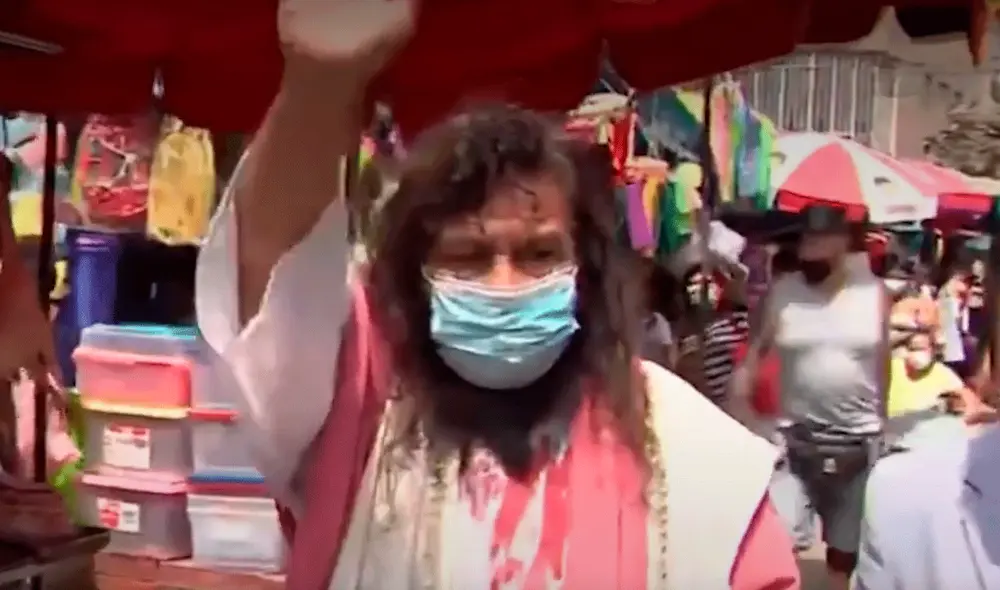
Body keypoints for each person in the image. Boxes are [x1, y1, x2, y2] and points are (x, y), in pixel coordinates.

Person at [194, 4, 800, 589]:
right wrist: (320, 82)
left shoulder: (694, 456)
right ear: (414, 281)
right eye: (467, 257)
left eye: (539, 255)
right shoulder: (358, 410)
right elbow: (279, 285)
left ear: (586, 272)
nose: (504, 285)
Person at [730, 205, 889, 590]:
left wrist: (884, 422)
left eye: (818, 240)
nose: (808, 248)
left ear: (842, 244)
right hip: (795, 439)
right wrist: (742, 416)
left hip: (857, 442)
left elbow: (884, 362)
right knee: (776, 543)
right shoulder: (784, 293)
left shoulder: (873, 294)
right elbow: (753, 356)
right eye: (805, 239)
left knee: (843, 556)